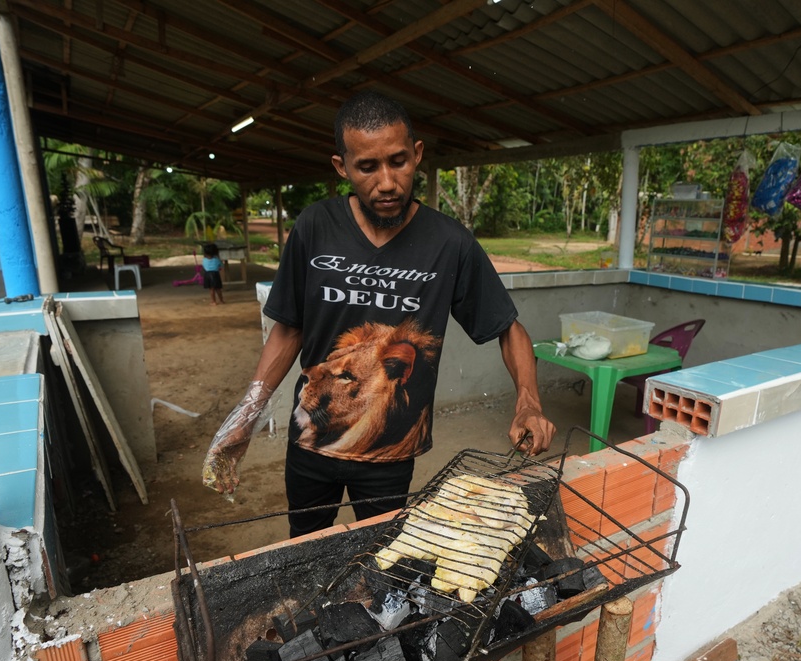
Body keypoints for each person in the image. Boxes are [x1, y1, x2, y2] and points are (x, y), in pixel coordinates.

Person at [201, 90, 556, 537]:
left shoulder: (449, 243)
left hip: (390, 452)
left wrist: (528, 403)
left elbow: (508, 329)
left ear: (417, 156)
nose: (387, 182)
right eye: (367, 167)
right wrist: (245, 416)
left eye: (399, 162)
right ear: (342, 167)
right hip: (311, 440)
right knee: (305, 547)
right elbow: (289, 328)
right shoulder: (314, 227)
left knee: (381, 555)